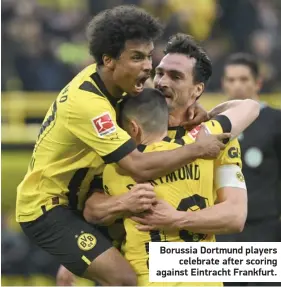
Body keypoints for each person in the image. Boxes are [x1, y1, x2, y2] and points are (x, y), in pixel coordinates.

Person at [16, 7, 227, 286]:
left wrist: (191, 105)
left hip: (88, 199)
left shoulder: (121, 83)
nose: (147, 67)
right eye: (137, 57)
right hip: (48, 209)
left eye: (149, 57)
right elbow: (137, 167)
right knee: (125, 278)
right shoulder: (87, 103)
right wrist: (197, 149)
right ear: (109, 60)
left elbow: (165, 99)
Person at [101, 88, 251, 286]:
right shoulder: (206, 146)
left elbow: (96, 218)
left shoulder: (116, 170)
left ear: (133, 128)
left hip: (149, 278)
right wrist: (208, 115)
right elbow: (249, 106)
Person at [217, 53, 281, 287]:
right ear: (223, 83)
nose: (237, 86)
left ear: (258, 83)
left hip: (263, 228)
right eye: (231, 80)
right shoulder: (213, 124)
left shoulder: (275, 121)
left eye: (244, 79)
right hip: (223, 230)